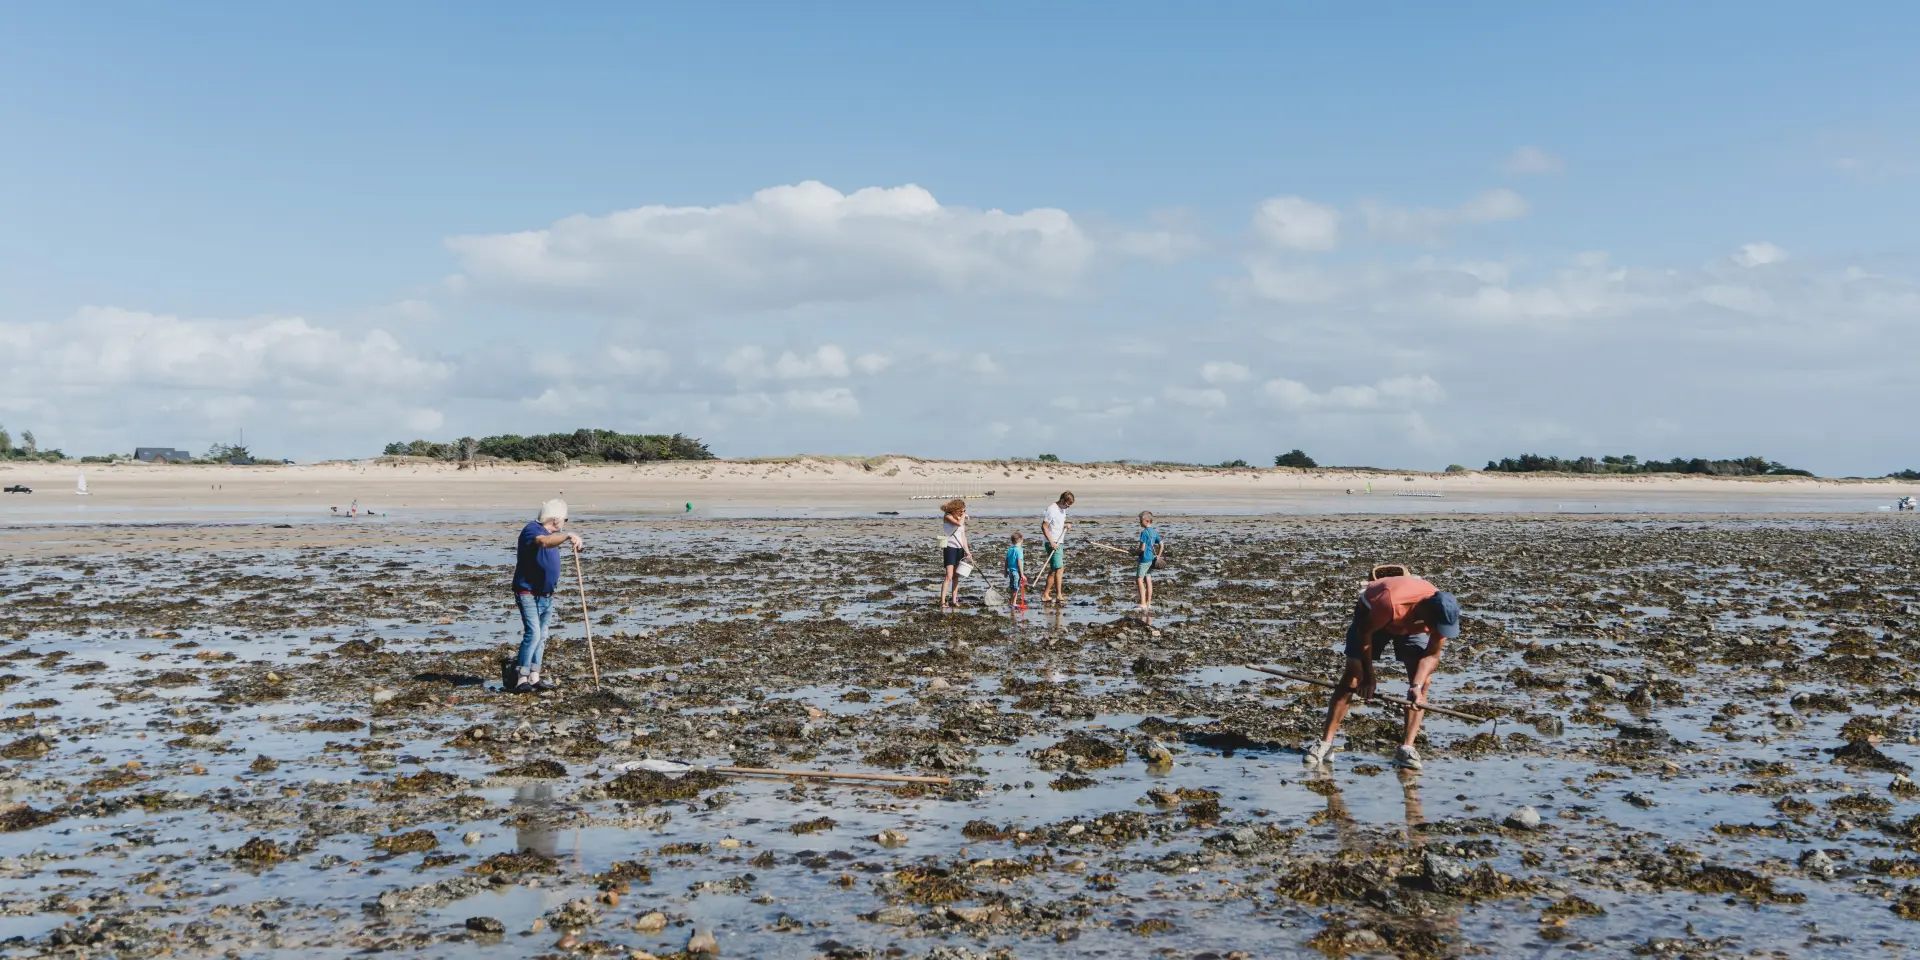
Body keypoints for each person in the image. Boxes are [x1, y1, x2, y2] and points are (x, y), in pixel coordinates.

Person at [1303, 564, 1461, 771]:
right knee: (1353, 675)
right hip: (1372, 620)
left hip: (1409, 626)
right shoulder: (1391, 603)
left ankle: (1406, 749)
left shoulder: (1443, 614)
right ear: (1427, 613)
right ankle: (1325, 743)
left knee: (1423, 685)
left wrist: (1416, 685)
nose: (1437, 632)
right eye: (1436, 627)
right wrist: (1369, 677)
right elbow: (1365, 635)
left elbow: (1432, 655)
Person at [512, 499, 583, 693]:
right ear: (556, 519)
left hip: (546, 595)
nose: (565, 523)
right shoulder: (532, 530)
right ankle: (521, 678)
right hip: (528, 592)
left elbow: (551, 543)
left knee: (542, 636)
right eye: (565, 519)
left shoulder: (551, 535)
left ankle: (535, 677)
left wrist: (574, 544)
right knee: (533, 633)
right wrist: (568, 535)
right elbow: (543, 543)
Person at [938, 498, 973, 611]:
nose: (963, 512)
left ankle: (954, 600)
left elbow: (963, 537)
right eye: (962, 510)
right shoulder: (947, 517)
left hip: (959, 549)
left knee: (956, 576)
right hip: (950, 548)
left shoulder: (960, 519)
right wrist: (964, 516)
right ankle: (943, 602)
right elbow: (958, 524)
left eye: (964, 511)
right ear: (956, 509)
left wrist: (967, 551)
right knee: (948, 576)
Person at [1040, 491, 1073, 605]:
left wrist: (1066, 525)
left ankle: (1045, 594)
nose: (1068, 508)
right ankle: (1059, 595)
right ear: (1063, 500)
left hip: (1060, 542)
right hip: (1052, 542)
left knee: (1054, 570)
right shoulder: (1051, 509)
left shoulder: (1062, 510)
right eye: (1067, 505)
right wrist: (1051, 542)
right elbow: (1044, 527)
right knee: (1059, 568)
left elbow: (1057, 524)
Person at [1134, 511, 1164, 610]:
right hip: (1151, 559)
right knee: (1148, 579)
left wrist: (1134, 552)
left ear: (1146, 521)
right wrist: (1158, 556)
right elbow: (1161, 544)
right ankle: (1148, 603)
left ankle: (1142, 603)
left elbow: (1142, 549)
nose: (1139, 522)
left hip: (1144, 559)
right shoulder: (1153, 531)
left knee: (1139, 579)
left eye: (1140, 520)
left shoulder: (1144, 532)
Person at [1005, 531, 1027, 610]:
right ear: (1021, 541)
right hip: (1016, 572)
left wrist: (1005, 571)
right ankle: (1013, 603)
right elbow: (1019, 563)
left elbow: (1006, 560)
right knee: (1016, 588)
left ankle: (1012, 602)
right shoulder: (1019, 550)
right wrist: (1022, 574)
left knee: (1012, 587)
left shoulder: (1010, 550)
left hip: (1010, 571)